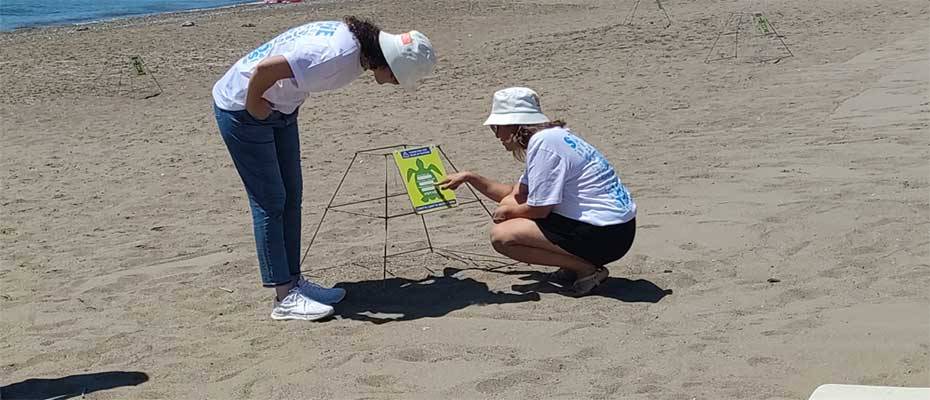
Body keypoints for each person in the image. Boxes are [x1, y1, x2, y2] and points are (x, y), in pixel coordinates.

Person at [212, 16, 436, 321]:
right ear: (391, 66)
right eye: (398, 79)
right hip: (242, 108)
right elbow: (266, 69)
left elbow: (292, 67)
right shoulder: (339, 56)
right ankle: (284, 296)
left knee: (292, 195)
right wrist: (255, 106)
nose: (395, 85)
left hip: (279, 109)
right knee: (271, 201)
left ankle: (294, 282)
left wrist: (282, 105)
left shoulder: (355, 46)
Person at [440, 87, 636, 296]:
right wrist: (470, 177)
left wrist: (507, 212)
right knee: (512, 206)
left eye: (497, 127)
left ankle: (585, 269)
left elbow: (540, 209)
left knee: (503, 236)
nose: (496, 135)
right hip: (616, 228)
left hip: (607, 233)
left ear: (513, 125)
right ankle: (574, 264)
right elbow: (515, 193)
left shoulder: (544, 144)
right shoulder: (551, 138)